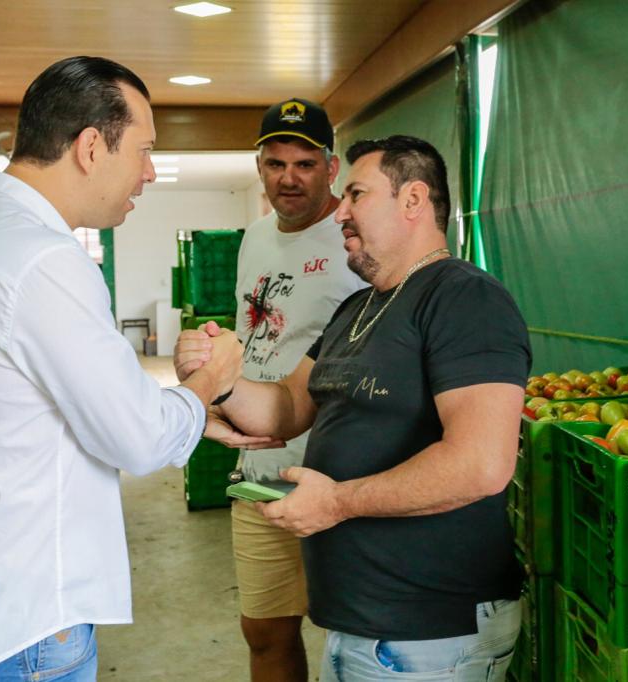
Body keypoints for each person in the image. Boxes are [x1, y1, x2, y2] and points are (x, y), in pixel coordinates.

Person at [0, 56, 244, 682]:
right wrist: (209, 380)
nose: (149, 172)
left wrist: (189, 415)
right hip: (26, 623)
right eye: (144, 151)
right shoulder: (44, 259)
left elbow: (42, 404)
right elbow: (139, 439)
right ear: (90, 147)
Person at [179, 135, 530, 680]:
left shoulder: (464, 298)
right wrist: (219, 379)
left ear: (413, 200)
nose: (340, 212)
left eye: (356, 195)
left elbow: (481, 464)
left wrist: (337, 503)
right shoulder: (356, 308)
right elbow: (286, 407)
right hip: (363, 623)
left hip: (428, 629)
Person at [215, 98, 365, 681]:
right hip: (260, 473)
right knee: (265, 631)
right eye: (276, 163)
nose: (289, 178)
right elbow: (251, 336)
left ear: (331, 168)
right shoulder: (254, 237)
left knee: (352, 638)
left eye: (305, 164)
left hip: (338, 476)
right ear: (260, 168)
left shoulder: (357, 240)